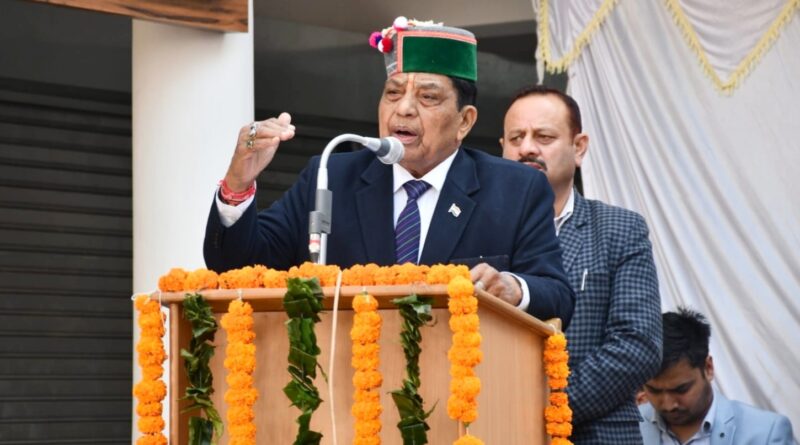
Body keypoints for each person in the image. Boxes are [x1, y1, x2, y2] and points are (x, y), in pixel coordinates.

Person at [203, 18, 575, 327]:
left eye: (428, 97)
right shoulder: (332, 176)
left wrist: (512, 288)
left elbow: (557, 295)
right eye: (393, 93)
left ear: (464, 121)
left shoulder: (515, 189)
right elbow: (237, 268)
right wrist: (238, 183)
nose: (404, 109)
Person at [500, 86, 662, 443]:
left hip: (594, 433)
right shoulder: (478, 228)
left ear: (579, 147)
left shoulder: (619, 229)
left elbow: (637, 345)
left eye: (544, 137)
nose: (527, 148)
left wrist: (545, 406)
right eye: (516, 138)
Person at [640, 308, 795, 444]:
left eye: (681, 389)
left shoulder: (766, 433)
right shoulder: (632, 426)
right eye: (654, 391)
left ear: (708, 368)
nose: (668, 405)